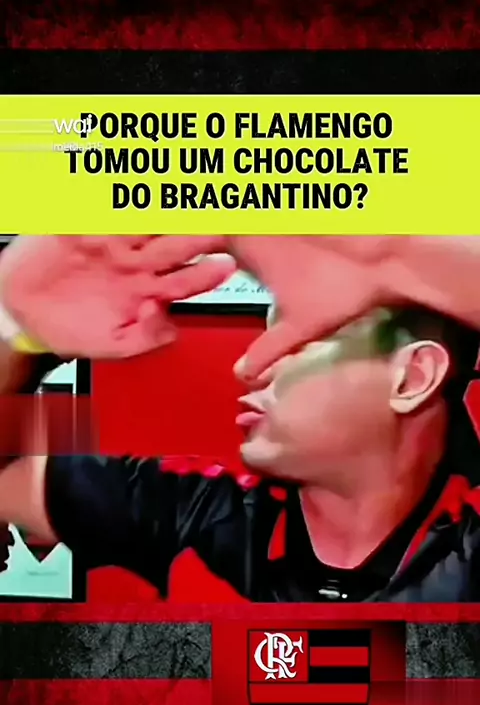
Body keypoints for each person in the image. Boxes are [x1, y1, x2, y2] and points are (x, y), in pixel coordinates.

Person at [0, 234, 480, 602]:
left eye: (300, 341)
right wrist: (21, 336)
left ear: (412, 376)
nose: (250, 368)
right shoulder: (193, 510)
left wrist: (396, 254)